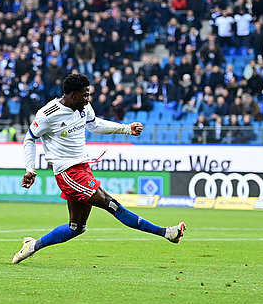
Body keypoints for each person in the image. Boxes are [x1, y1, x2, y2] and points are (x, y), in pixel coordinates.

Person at [12, 73, 185, 263]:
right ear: (71, 95)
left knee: (76, 228)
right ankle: (166, 233)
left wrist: (126, 129)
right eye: (85, 95)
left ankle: (32, 246)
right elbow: (29, 138)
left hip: (83, 168)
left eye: (89, 95)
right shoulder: (48, 114)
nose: (88, 99)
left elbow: (94, 124)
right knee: (112, 204)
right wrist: (30, 169)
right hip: (68, 174)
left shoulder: (83, 107)